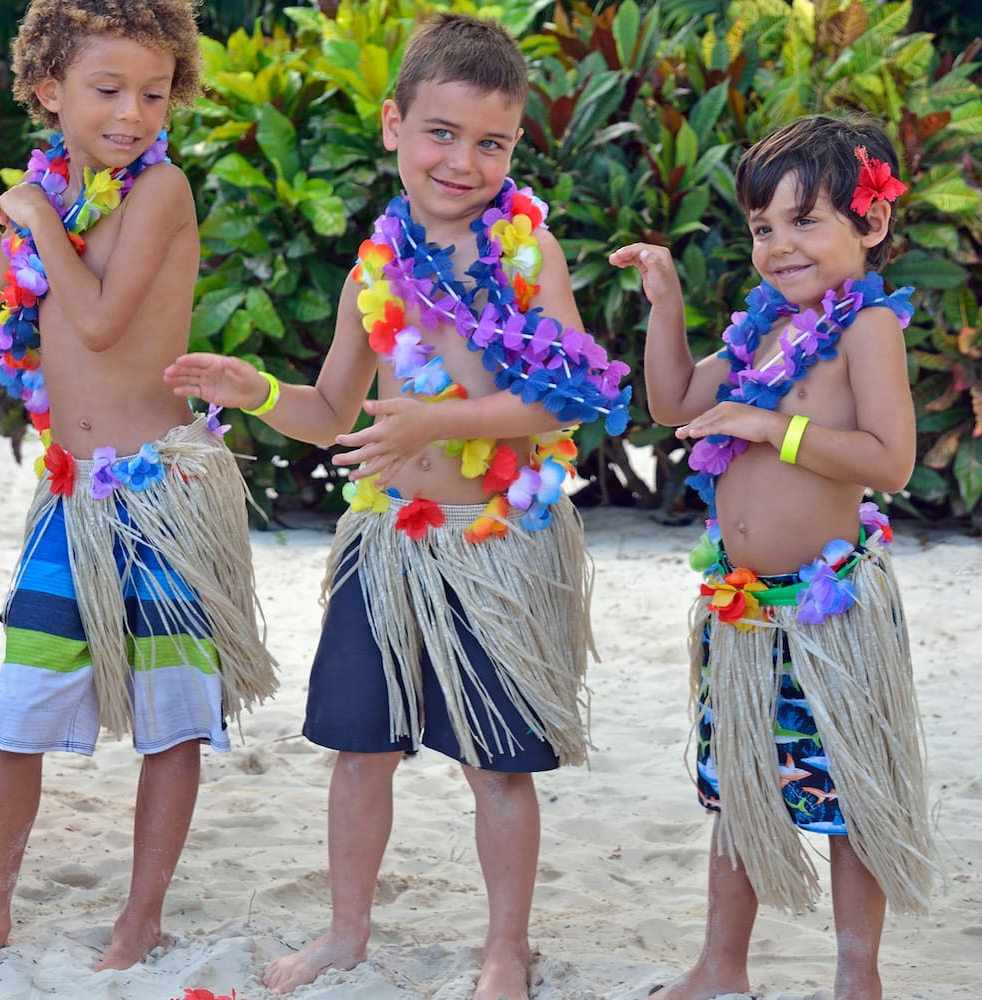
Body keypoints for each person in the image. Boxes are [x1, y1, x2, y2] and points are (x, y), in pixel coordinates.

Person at [164, 13, 631, 998]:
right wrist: (252, 389)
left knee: (497, 766)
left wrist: (430, 422)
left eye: (489, 142)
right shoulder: (373, 271)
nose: (461, 161)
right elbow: (330, 409)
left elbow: (567, 395)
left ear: (512, 147)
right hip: (387, 542)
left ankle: (505, 944)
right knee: (357, 750)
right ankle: (346, 929)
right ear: (392, 124)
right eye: (440, 132)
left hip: (495, 541)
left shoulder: (525, 254)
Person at [0, 0, 277, 979]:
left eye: (152, 91)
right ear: (50, 92)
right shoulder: (55, 185)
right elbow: (3, 280)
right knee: (19, 712)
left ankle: (140, 918)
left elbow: (92, 320)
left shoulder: (159, 190)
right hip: (72, 498)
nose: (132, 111)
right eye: (106, 90)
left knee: (170, 716)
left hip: (160, 497)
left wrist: (32, 211)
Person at [612, 114, 938, 1000]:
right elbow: (676, 401)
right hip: (744, 611)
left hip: (829, 613)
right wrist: (667, 301)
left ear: (868, 225)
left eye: (805, 221)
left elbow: (890, 459)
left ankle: (855, 975)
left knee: (850, 795)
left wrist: (772, 427)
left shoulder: (867, 326)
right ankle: (721, 966)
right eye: (763, 227)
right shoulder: (766, 329)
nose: (779, 245)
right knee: (740, 787)